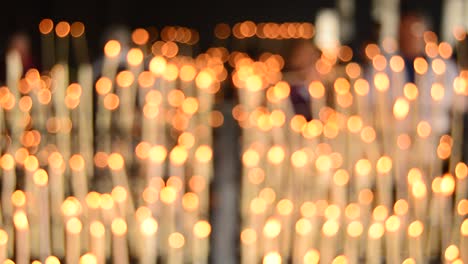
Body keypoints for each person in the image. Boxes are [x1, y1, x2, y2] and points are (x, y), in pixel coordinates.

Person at [282, 39, 322, 121]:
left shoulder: (324, 85)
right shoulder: (287, 87)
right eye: (303, 54)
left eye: (311, 55)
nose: (307, 59)